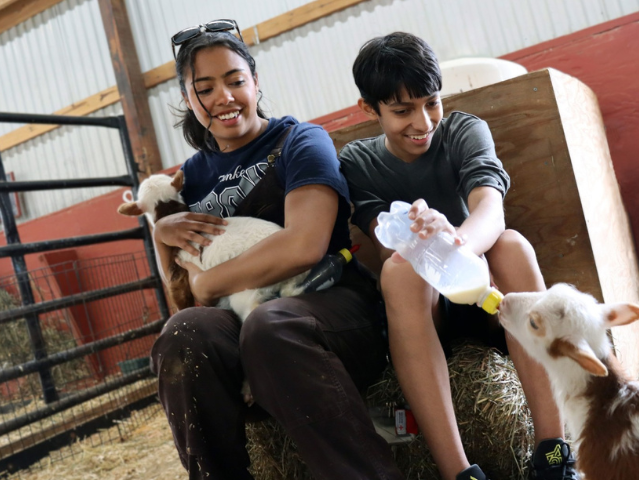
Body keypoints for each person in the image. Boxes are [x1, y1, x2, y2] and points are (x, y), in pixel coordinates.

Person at [149, 20, 403, 480]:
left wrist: (209, 281)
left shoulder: (299, 141)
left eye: (234, 80)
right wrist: (160, 231)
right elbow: (184, 299)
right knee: (184, 333)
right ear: (189, 99)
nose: (223, 97)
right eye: (204, 88)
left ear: (255, 81)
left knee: (271, 325)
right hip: (244, 327)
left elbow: (304, 246)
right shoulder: (189, 177)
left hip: (331, 312)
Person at [339, 32, 580, 480]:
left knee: (512, 245)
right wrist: (423, 244)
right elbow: (385, 241)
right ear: (369, 110)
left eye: (431, 102)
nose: (423, 121)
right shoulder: (358, 161)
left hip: (488, 297)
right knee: (400, 270)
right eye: (402, 110)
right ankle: (461, 473)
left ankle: (552, 454)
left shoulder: (464, 131)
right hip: (429, 315)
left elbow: (491, 208)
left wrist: (455, 241)